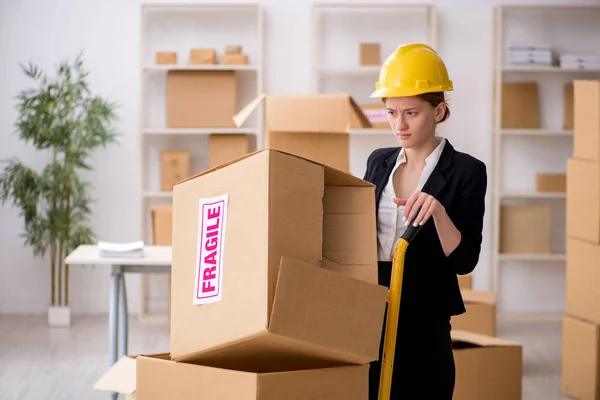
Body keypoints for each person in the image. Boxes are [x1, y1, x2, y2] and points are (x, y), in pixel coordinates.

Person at [363, 43, 488, 399]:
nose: (399, 125)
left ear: (440, 111)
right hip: (371, 302)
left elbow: (465, 261)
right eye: (391, 113)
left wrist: (438, 212)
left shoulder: (467, 170)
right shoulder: (378, 162)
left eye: (412, 113)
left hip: (425, 307)